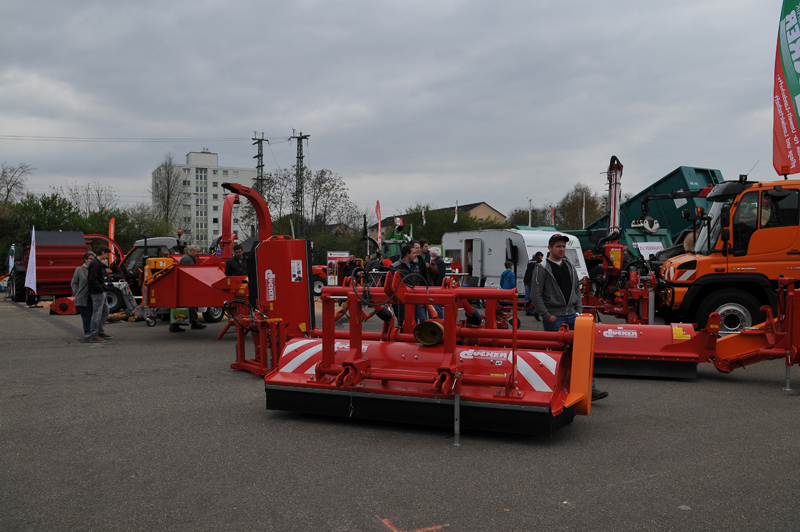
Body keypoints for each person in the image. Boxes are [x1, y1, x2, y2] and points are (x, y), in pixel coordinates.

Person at [531, 234, 608, 401]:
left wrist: (578, 311)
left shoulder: (569, 265)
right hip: (555, 318)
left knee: (580, 354)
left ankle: (590, 389)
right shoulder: (541, 268)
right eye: (558, 246)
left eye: (563, 246)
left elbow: (576, 291)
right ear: (550, 248)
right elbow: (535, 295)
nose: (562, 249)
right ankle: (556, 392)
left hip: (573, 316)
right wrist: (547, 315)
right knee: (557, 356)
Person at [171, 244, 206, 332]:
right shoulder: (187, 259)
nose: (198, 254)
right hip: (186, 287)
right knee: (185, 306)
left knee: (191, 306)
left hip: (187, 286)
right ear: (192, 250)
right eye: (197, 251)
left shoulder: (188, 258)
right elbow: (185, 273)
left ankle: (194, 323)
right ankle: (175, 326)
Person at [87, 246, 112, 343]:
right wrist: (100, 289)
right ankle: (94, 334)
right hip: (97, 292)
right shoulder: (95, 264)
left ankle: (100, 331)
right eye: (107, 254)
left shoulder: (97, 263)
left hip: (100, 291)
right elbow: (92, 279)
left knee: (105, 311)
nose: (107, 256)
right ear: (102, 252)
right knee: (97, 313)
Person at [390, 245, 419, 326]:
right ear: (407, 254)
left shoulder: (416, 266)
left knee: (414, 322)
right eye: (413, 253)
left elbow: (419, 282)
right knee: (402, 323)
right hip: (400, 301)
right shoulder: (395, 267)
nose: (415, 255)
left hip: (414, 300)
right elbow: (390, 283)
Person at [71, 250, 95, 342]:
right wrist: (77, 292)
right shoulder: (79, 270)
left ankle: (94, 331)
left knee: (94, 314)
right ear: (85, 259)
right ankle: (87, 332)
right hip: (83, 297)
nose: (92, 261)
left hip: (93, 296)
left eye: (93, 259)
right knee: (86, 315)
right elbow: (74, 283)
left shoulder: (95, 269)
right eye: (90, 259)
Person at [523, 251, 544, 319]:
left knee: (527, 295)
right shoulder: (539, 262)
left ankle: (527, 310)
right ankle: (531, 309)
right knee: (533, 296)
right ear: (540, 256)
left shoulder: (530, 261)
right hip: (533, 280)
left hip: (526, 279)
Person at [428, 247, 446, 318]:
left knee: (437, 305)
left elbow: (440, 275)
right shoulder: (439, 261)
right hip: (436, 285)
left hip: (436, 286)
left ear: (433, 254)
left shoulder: (438, 262)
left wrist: (437, 286)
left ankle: (440, 318)